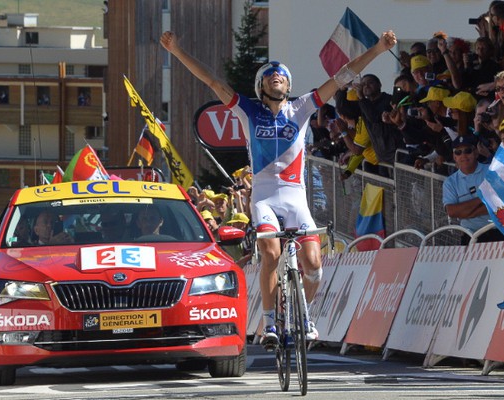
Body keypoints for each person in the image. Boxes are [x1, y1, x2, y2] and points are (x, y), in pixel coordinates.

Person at [160, 28, 397, 347]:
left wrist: (379, 49)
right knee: (270, 252)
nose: (277, 78)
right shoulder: (247, 109)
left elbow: (343, 76)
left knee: (314, 264)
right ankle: (270, 321)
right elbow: (213, 81)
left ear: (288, 85)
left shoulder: (301, 107)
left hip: (295, 198)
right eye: (270, 76)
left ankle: (304, 314)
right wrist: (176, 51)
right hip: (265, 198)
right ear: (261, 86)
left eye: (282, 76)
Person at [442, 135, 496, 243]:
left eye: (468, 151)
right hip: (469, 237)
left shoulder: (492, 171)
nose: (463, 155)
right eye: (458, 152)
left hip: (497, 232)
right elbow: (452, 212)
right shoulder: (450, 182)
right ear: (454, 157)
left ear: (476, 153)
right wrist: (482, 198)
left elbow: (499, 205)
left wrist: (464, 212)